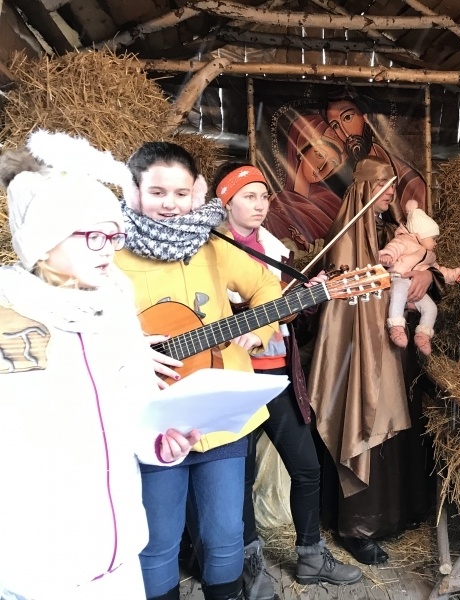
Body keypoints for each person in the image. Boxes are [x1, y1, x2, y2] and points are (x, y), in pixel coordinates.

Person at [0, 131, 199, 600]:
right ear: (44, 240)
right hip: (40, 565)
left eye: (113, 235)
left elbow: (133, 406)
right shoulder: (9, 315)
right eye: (93, 235)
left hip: (119, 553)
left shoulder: (114, 309)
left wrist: (158, 442)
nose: (109, 249)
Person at [116, 142, 283, 600]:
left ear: (198, 194)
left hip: (220, 414)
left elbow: (267, 285)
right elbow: (83, 323)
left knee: (226, 533)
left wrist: (260, 324)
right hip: (154, 417)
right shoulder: (109, 252)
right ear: (133, 191)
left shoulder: (215, 247)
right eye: (157, 191)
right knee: (158, 538)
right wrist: (126, 349)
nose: (170, 204)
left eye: (181, 192)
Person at [212, 162, 362, 599]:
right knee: (237, 477)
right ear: (226, 202)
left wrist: (309, 295)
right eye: (248, 197)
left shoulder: (277, 252)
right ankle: (248, 562)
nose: (259, 206)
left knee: (308, 467)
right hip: (233, 378)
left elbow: (289, 320)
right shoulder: (209, 252)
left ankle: (312, 554)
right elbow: (219, 315)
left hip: (276, 375)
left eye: (263, 197)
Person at [308, 156, 438, 564]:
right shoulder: (346, 238)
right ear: (364, 190)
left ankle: (397, 514)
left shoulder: (389, 231)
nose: (389, 197)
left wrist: (426, 275)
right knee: (362, 423)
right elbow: (346, 306)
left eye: (392, 190)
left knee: (397, 434)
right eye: (381, 189)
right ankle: (358, 525)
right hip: (360, 353)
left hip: (393, 353)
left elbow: (418, 262)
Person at [379, 199, 460, 355]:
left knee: (431, 307)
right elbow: (394, 247)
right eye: (433, 238)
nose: (435, 243)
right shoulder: (404, 240)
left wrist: (455, 274)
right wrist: (388, 255)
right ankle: (396, 326)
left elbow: (440, 271)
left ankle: (423, 335)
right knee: (399, 291)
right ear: (420, 235)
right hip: (398, 278)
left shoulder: (430, 257)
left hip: (414, 287)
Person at [322, 89, 429, 214]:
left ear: (366, 117)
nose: (346, 134)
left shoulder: (407, 181)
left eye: (348, 117)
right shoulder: (333, 180)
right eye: (335, 126)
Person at [265, 114, 345, 248]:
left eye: (332, 162)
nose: (321, 167)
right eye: (319, 154)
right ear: (301, 152)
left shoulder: (332, 202)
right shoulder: (273, 204)